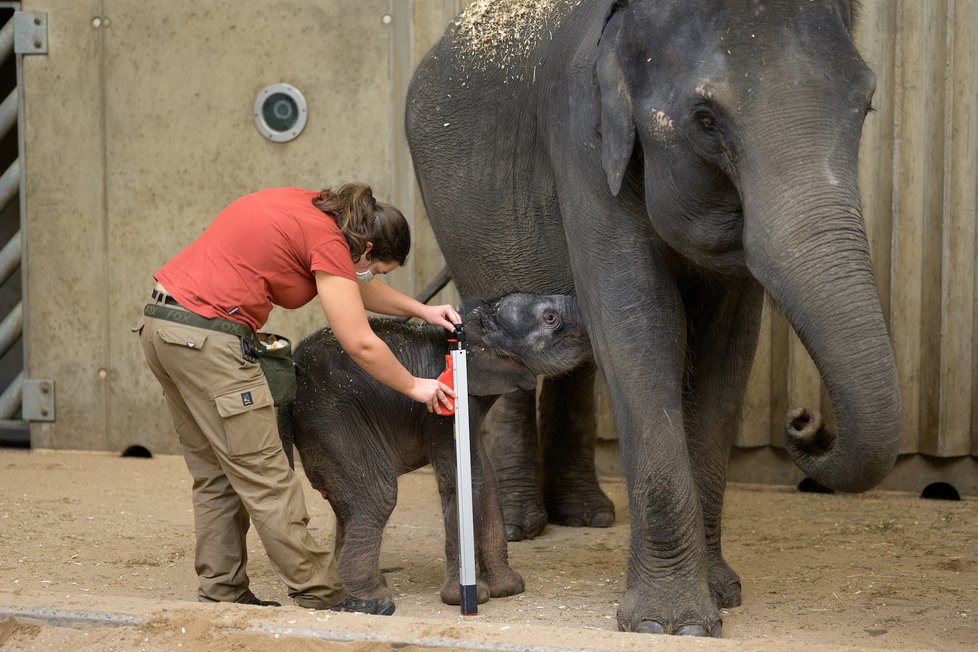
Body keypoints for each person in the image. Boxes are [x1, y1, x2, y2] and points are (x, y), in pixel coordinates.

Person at [135, 183, 459, 615]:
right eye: (376, 269)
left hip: (163, 328)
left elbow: (351, 285)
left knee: (216, 474)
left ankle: (222, 590)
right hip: (209, 342)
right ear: (363, 247)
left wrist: (423, 310)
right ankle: (322, 594)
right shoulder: (329, 241)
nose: (371, 277)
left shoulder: (313, 208)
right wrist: (414, 386)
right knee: (267, 476)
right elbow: (360, 342)